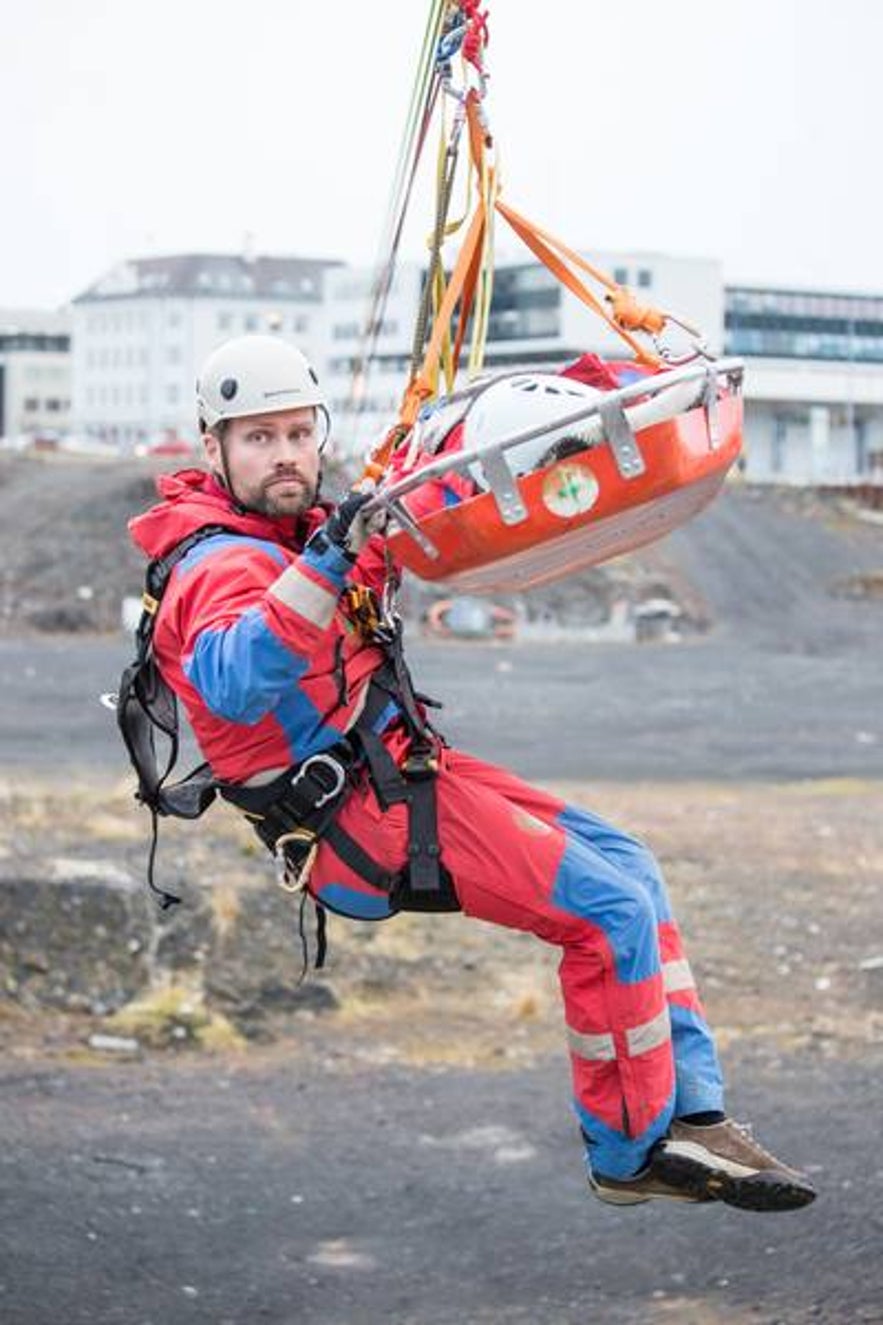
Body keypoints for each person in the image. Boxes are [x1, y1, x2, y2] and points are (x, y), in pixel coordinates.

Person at [128, 335, 816, 1213]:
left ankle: (693, 1110)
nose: (287, 455)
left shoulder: (299, 537)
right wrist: (333, 556)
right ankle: (627, 1150)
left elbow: (406, 546)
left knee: (631, 867)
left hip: (401, 772)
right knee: (603, 913)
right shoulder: (217, 564)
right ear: (212, 447)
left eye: (299, 433)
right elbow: (231, 675)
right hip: (356, 817)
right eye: (259, 438)